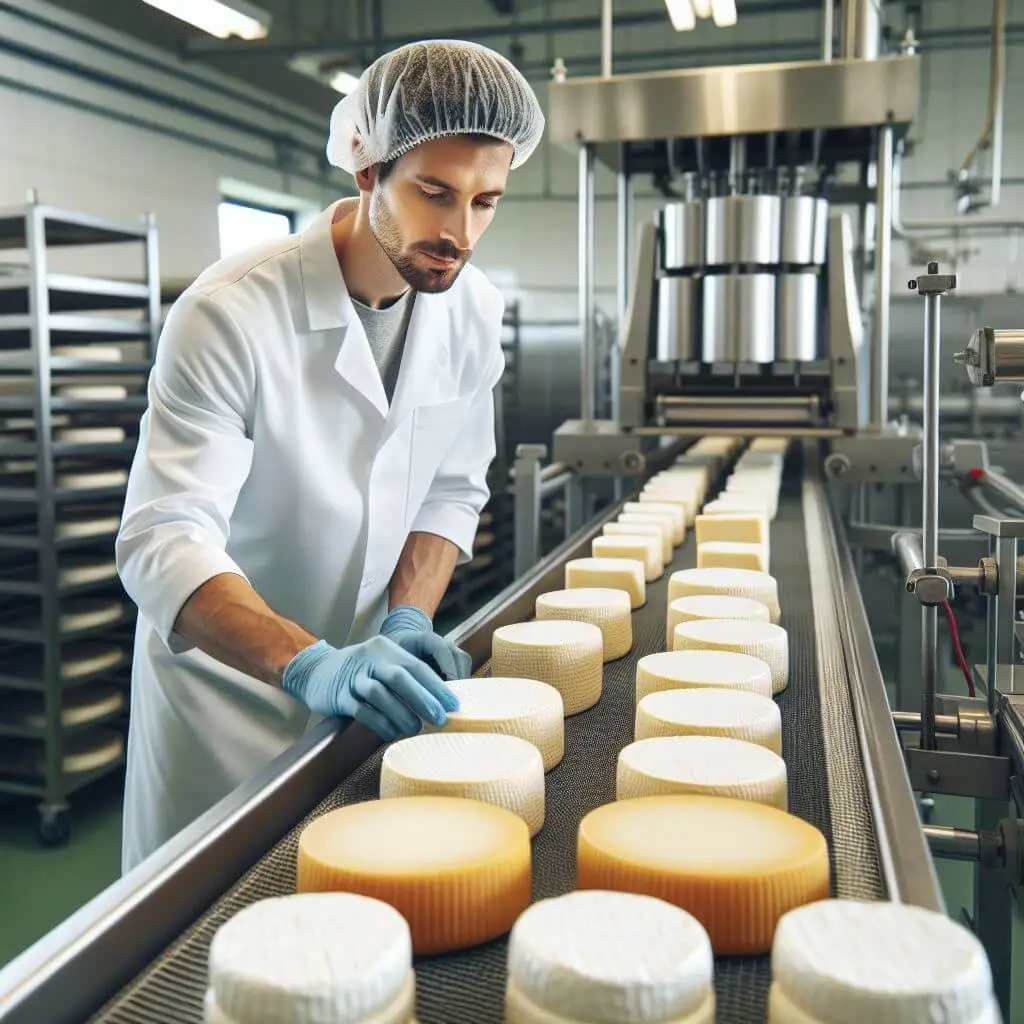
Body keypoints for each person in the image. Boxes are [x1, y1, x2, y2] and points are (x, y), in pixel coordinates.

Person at [115, 39, 545, 872]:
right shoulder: (231, 312)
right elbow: (162, 539)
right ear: (365, 170)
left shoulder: (472, 311)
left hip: (364, 694)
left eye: (486, 202)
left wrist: (410, 616)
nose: (459, 234)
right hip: (226, 701)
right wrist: (309, 663)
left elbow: (450, 491)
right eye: (433, 193)